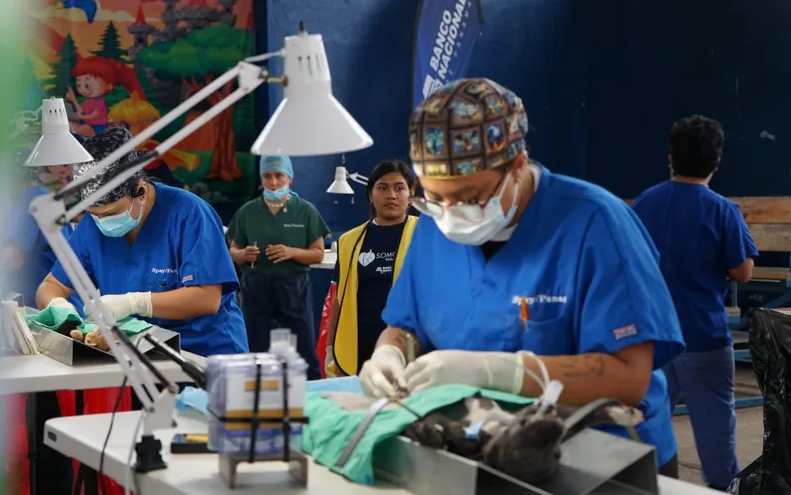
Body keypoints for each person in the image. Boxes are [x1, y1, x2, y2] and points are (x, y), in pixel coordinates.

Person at [358, 78, 685, 477]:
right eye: (435, 198)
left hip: (600, 458)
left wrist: (500, 372)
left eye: (469, 197)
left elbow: (630, 377)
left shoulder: (595, 222)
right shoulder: (433, 227)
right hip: (485, 446)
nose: (452, 214)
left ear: (517, 165)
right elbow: (404, 325)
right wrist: (389, 354)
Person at [36, 127, 248, 357]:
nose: (101, 222)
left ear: (140, 191)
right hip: (142, 355)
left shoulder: (189, 213)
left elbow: (207, 298)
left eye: (111, 213)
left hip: (204, 353)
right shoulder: (92, 225)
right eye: (93, 214)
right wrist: (60, 309)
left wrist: (135, 303)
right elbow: (51, 286)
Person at [632, 115, 756, 490]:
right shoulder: (723, 210)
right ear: (716, 162)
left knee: (647, 428)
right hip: (704, 336)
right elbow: (742, 273)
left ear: (670, 158)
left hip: (654, 339)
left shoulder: (644, 203)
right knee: (717, 436)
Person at [227, 155, 330, 379]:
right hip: (256, 286)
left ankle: (311, 391)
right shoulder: (248, 212)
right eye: (267, 176)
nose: (273, 182)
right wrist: (243, 254)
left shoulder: (306, 211)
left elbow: (318, 253)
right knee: (257, 347)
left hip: (293, 286)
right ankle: (260, 393)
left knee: (303, 348)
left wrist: (292, 252)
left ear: (290, 178)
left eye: (279, 176)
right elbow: (232, 250)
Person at [323, 159, 419, 377]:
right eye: (382, 188)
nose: (391, 195)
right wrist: (331, 348)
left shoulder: (425, 235)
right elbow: (339, 298)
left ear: (410, 196)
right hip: (359, 345)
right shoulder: (349, 241)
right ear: (370, 196)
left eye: (399, 188)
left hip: (409, 344)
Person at [2, 152, 75, 308]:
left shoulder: (31, 198)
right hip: (68, 306)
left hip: (52, 310)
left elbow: (11, 260)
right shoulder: (46, 198)